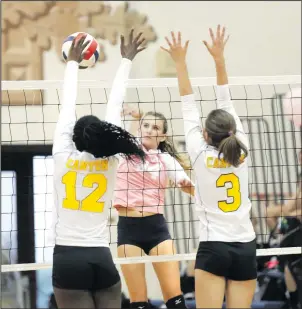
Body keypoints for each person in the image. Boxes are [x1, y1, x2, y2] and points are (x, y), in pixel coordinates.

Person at [161, 26, 257, 308]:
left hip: (213, 247)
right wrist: (219, 59)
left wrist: (179, 62)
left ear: (205, 135)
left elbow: (187, 103)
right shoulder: (242, 147)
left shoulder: (198, 152)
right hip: (245, 246)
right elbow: (225, 99)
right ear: (231, 130)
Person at [51, 31, 146, 309]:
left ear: (74, 137)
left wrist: (71, 64)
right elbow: (114, 107)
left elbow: (67, 106)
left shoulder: (62, 155)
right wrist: (126, 61)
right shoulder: (111, 159)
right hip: (101, 258)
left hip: (69, 258)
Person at [112, 76, 195, 309]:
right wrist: (135, 116)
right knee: (139, 302)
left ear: (163, 136)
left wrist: (206, 198)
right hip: (128, 229)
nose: (150, 130)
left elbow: (185, 183)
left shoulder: (166, 159)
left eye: (155, 127)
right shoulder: (126, 151)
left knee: (175, 299)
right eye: (146, 125)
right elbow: (121, 132)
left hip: (156, 229)